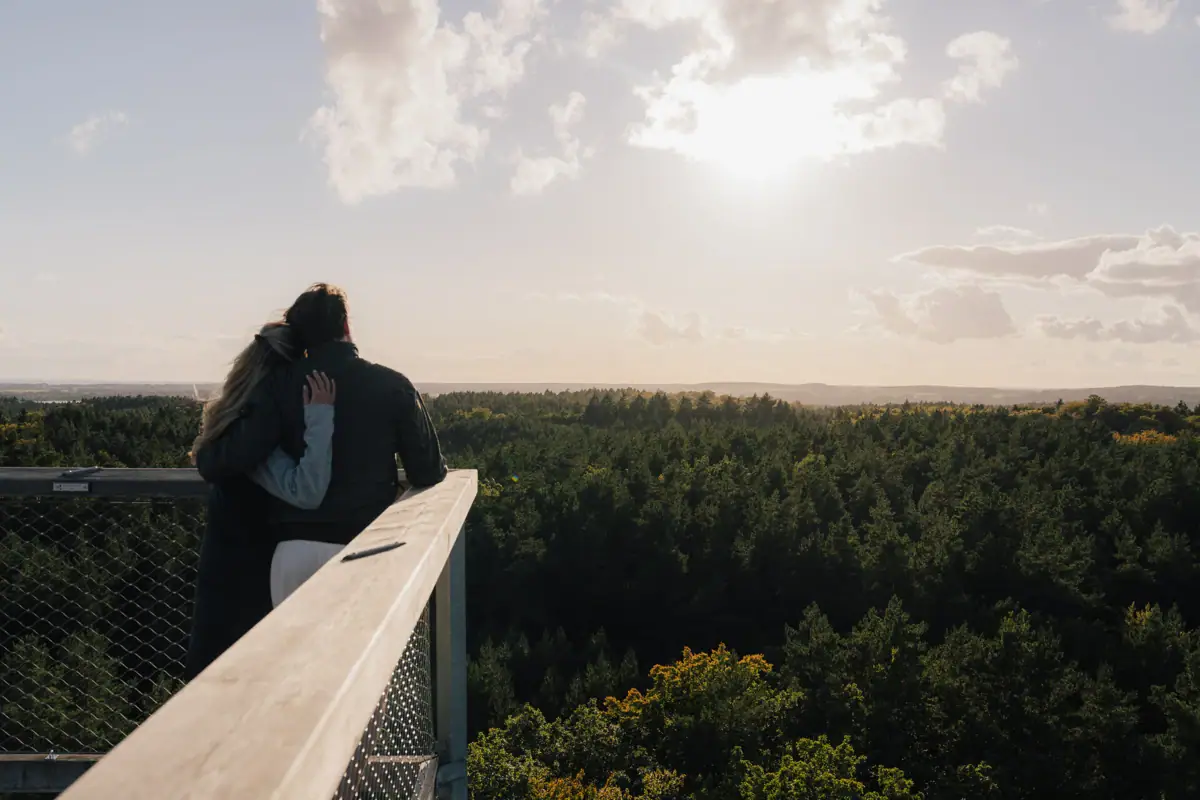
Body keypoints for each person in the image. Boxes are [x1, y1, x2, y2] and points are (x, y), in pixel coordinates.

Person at [194, 283, 447, 608]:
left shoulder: (277, 385)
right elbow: (427, 471)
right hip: (366, 544)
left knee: (296, 657)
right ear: (346, 326)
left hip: (292, 553)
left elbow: (235, 455)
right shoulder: (392, 386)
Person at [183, 322, 337, 679]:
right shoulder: (261, 428)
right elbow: (307, 490)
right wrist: (319, 415)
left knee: (215, 675)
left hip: (225, 566)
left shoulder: (236, 416)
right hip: (254, 571)